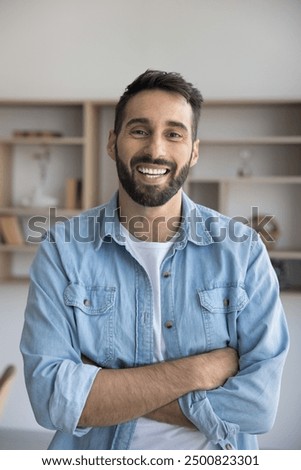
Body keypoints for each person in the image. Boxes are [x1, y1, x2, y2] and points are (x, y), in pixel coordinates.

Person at [20, 69, 289, 450]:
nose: (156, 150)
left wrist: (102, 388)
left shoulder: (243, 251)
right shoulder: (62, 250)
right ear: (113, 142)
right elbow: (51, 399)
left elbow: (257, 407)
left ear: (194, 150)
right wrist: (199, 371)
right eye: (139, 130)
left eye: (174, 133)